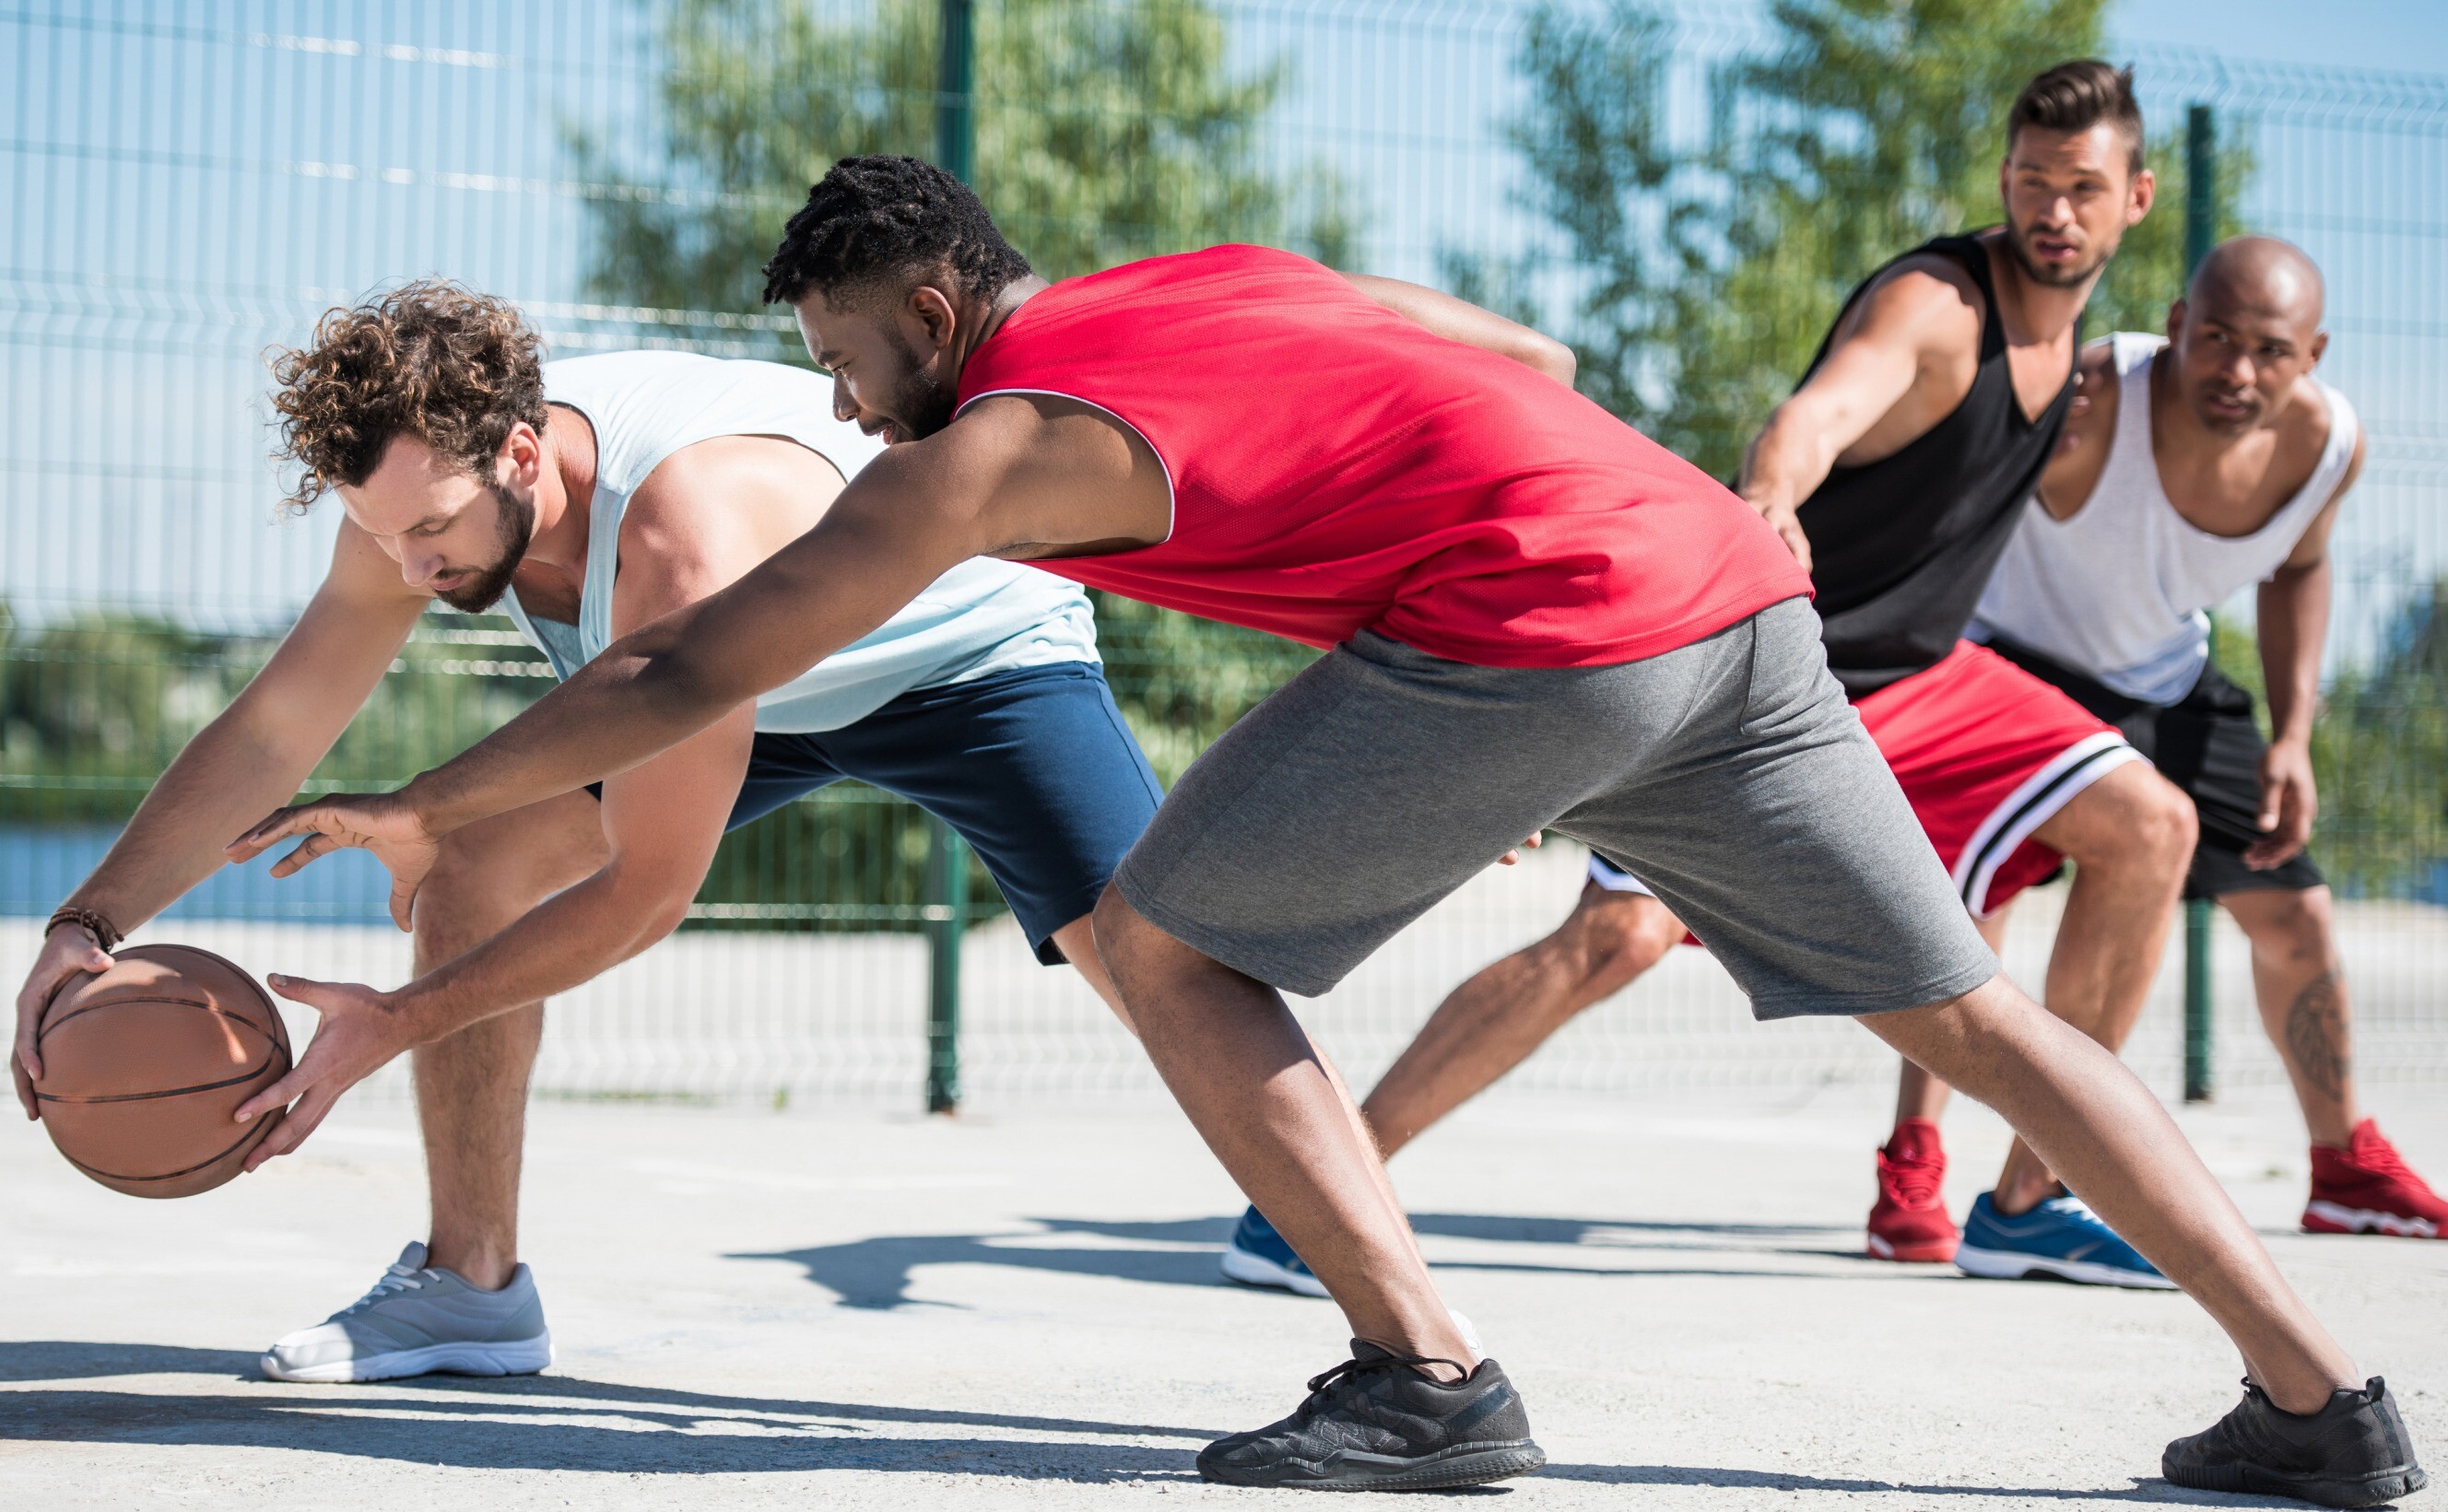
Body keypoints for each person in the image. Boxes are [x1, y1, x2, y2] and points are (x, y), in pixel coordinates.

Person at [229, 156, 2420, 1503]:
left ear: (922, 310)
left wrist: (420, 803)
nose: (836, 408)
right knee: (1960, 1009)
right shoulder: (1224, 270)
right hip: (1722, 586)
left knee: (1155, 932)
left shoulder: (983, 441)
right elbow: (1516, 338)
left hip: (1559, 622)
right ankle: (2319, 1401)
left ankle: (1423, 1373)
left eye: (840, 359)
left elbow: (687, 678)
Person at [10, 283, 1163, 1384]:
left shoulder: (675, 523)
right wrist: (88, 920)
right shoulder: (414, 498)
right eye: (384, 536)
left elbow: (646, 895)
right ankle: (472, 1284)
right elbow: (273, 732)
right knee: (475, 869)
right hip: (720, 685)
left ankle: (1325, 1217)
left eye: (430, 531)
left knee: (1170, 976)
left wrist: (396, 1023)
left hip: (958, 666)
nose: (410, 568)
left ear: (521, 456)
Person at [1228, 58, 2203, 1295]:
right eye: (2030, 182)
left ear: (2136, 198)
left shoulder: (2081, 352)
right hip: (1771, 679)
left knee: (2149, 825)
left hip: (1927, 678)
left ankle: (2028, 1203)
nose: (2052, 210)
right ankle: (1316, 1195)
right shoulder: (1939, 307)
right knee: (1617, 938)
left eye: (2080, 187)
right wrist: (1771, 491)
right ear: (2003, 181)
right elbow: (1818, 415)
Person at [1963, 235, 2444, 1238]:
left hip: (2162, 679)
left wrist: (2292, 735)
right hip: (2012, 661)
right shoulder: (2097, 392)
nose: (2236, 370)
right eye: (2216, 338)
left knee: (2294, 911)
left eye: (2269, 350)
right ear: (2177, 325)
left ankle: (2343, 1167)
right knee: (1968, 917)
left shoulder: (2328, 445)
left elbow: (2298, 571)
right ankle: (1915, 1170)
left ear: (2312, 354)